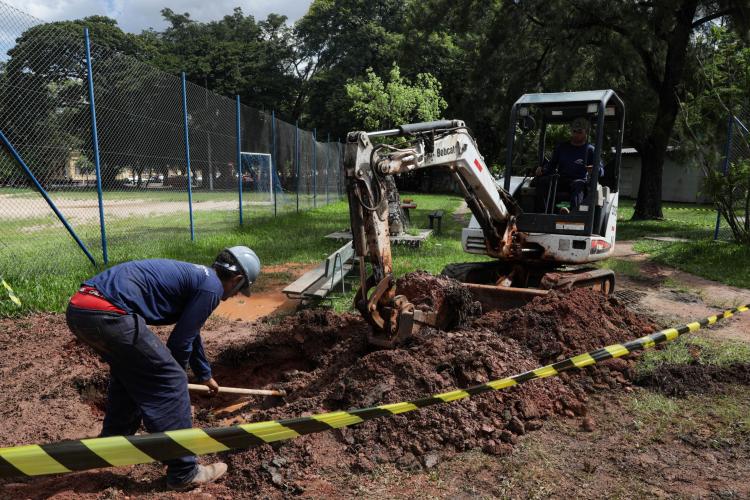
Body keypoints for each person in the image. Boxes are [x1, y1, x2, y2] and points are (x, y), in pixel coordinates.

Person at [65, 246, 260, 491]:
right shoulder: (212, 288)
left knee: (128, 371)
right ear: (237, 279)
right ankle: (184, 471)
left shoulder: (201, 278)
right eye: (239, 289)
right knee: (170, 379)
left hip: (81, 309)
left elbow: (190, 333)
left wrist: (204, 375)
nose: (233, 295)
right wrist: (172, 383)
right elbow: (179, 343)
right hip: (108, 313)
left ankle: (113, 442)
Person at [533, 117, 604, 214]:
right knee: (542, 182)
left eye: (579, 132)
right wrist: (542, 170)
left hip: (579, 181)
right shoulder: (562, 148)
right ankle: (542, 214)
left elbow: (601, 170)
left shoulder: (591, 150)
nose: (576, 134)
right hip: (562, 180)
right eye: (574, 131)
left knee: (578, 185)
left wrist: (594, 170)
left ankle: (572, 214)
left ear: (586, 132)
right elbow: (551, 166)